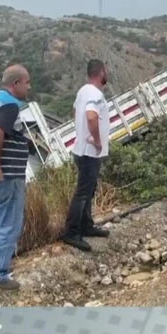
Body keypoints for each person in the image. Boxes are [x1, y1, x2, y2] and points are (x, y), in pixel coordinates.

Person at [62, 59, 111, 252]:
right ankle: (72, 232)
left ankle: (86, 225)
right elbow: (91, 116)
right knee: (83, 193)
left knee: (88, 190)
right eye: (106, 71)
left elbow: (76, 111)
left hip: (81, 149)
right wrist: (97, 140)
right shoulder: (95, 94)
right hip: (89, 152)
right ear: (100, 73)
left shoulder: (83, 91)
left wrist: (81, 132)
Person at [0, 65, 31, 290]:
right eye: (27, 82)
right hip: (9, 174)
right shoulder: (9, 104)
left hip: (6, 173)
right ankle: (0, 274)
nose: (29, 87)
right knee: (9, 223)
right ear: (16, 83)